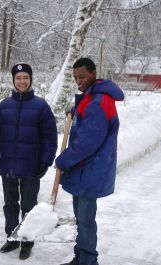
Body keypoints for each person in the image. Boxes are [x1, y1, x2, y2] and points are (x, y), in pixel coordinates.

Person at [55, 57, 124, 265]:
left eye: (82, 76)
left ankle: (88, 261)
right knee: (81, 218)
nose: (79, 81)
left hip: (91, 168)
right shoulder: (92, 96)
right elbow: (88, 120)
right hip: (85, 168)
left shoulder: (100, 100)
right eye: (75, 77)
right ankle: (81, 257)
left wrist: (63, 160)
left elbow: (87, 142)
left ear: (93, 73)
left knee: (85, 220)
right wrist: (75, 110)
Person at [0, 63, 57, 260]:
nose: (22, 81)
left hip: (31, 165)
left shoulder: (41, 106)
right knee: (10, 204)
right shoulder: (4, 106)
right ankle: (12, 236)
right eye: (18, 78)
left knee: (28, 204)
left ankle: (26, 240)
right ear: (13, 80)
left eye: (26, 77)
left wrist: (45, 161)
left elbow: (50, 138)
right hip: (8, 163)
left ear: (31, 79)